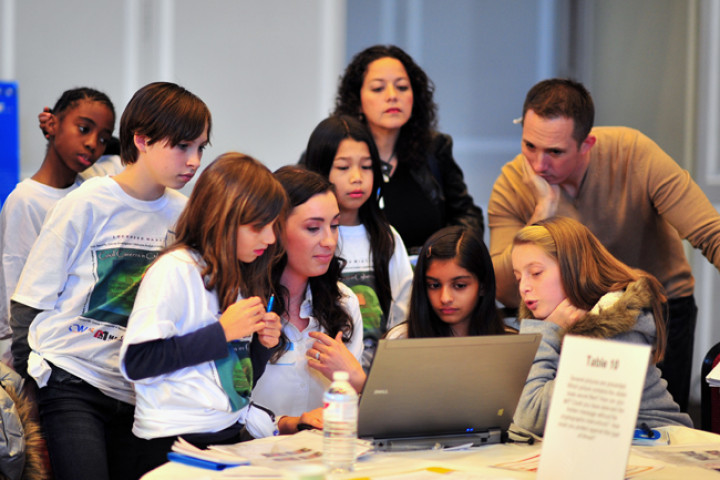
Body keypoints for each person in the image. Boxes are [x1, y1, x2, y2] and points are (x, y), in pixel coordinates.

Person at [9, 81, 211, 480]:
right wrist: (30, 383)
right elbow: (29, 301)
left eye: (201, 147)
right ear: (142, 139)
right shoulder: (88, 201)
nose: (193, 161)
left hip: (138, 387)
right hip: (73, 378)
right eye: (182, 146)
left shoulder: (185, 214)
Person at [488, 78, 720, 411]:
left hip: (655, 306)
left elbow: (711, 233)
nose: (538, 165)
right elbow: (507, 291)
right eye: (529, 146)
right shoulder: (513, 183)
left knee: (654, 428)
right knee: (574, 428)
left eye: (555, 152)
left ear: (587, 144)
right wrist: (541, 215)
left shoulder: (632, 153)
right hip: (568, 316)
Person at [120, 153, 286, 474]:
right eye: (258, 227)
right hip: (171, 443)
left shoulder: (239, 275)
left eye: (273, 226)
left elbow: (236, 381)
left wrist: (263, 347)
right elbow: (137, 362)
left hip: (225, 437)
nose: (270, 238)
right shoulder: (176, 269)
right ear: (222, 219)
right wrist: (222, 333)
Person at [510, 216, 693, 437]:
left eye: (536, 273)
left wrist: (547, 333)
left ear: (573, 268)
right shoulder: (550, 322)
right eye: (518, 277)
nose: (524, 287)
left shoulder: (614, 327)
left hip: (656, 442)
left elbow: (531, 417)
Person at [0, 88, 115, 364]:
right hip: (36, 355)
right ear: (51, 124)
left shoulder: (89, 193)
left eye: (102, 138)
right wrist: (27, 363)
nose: (92, 144)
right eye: (83, 128)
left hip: (80, 351)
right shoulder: (26, 201)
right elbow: (15, 291)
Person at [334, 44, 483, 253]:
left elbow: (467, 216)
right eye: (378, 88)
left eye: (402, 87)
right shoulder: (333, 149)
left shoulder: (435, 150)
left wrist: (445, 254)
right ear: (357, 101)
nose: (393, 95)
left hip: (426, 278)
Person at [250, 166, 363, 434]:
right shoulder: (245, 302)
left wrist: (356, 380)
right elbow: (225, 402)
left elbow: (355, 409)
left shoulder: (344, 302)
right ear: (274, 230)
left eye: (335, 225)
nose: (329, 241)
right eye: (313, 228)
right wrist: (285, 424)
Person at [301, 115, 412, 370]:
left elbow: (403, 314)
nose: (356, 178)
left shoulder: (387, 238)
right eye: (343, 167)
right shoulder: (309, 240)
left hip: (379, 375)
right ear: (319, 169)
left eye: (366, 166)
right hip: (321, 373)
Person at [386, 225, 507, 340]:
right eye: (434, 285)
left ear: (483, 285)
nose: (445, 298)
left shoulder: (509, 343)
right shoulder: (400, 340)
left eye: (460, 285)